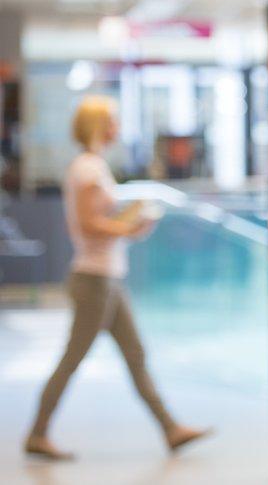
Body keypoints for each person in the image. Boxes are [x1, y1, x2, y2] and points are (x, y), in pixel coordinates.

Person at [24, 95, 208, 460]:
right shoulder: (88, 169)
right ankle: (37, 433)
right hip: (93, 280)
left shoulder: (91, 166)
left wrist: (127, 226)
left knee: (135, 354)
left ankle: (171, 429)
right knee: (73, 358)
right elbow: (89, 224)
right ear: (99, 125)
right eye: (113, 120)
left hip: (107, 276)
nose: (117, 128)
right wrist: (130, 228)